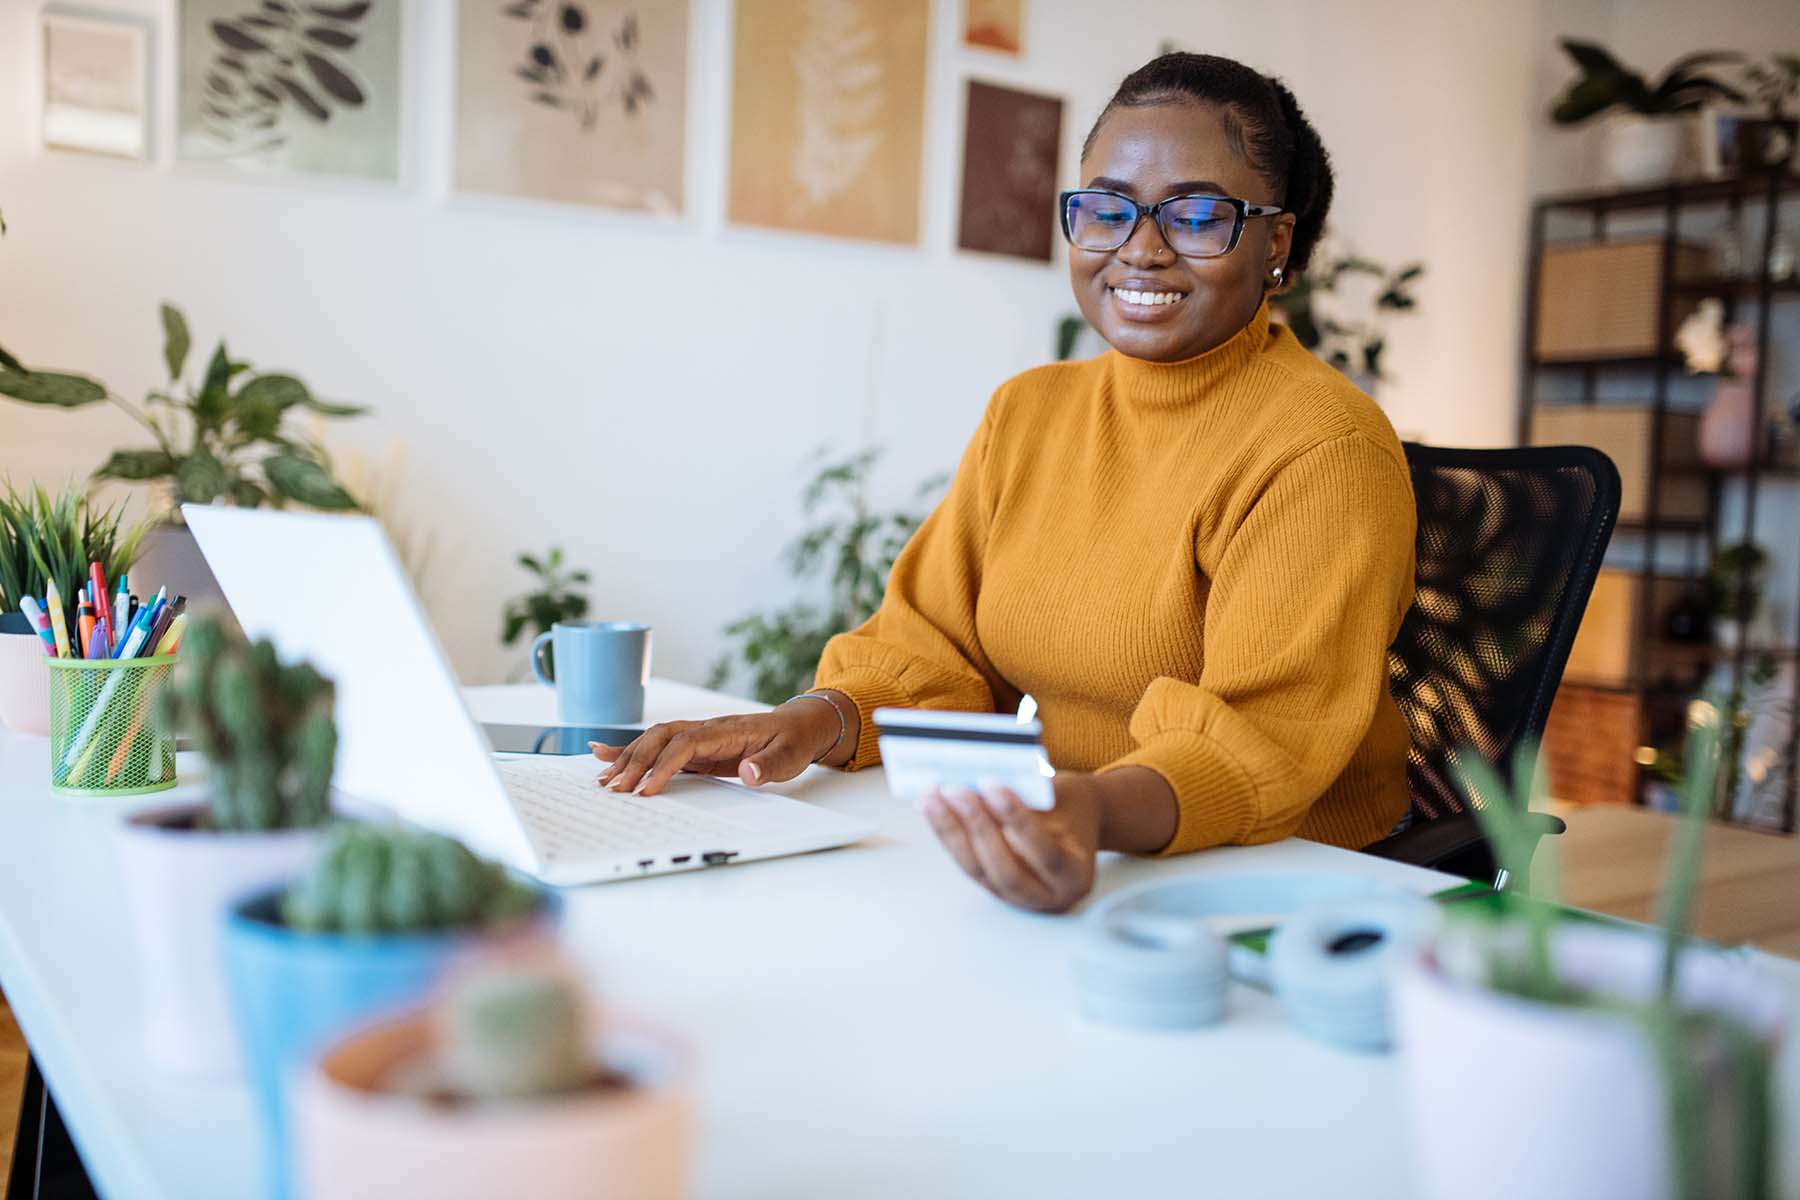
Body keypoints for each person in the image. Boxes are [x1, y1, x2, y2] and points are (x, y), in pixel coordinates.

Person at [592, 52, 1416, 913]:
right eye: (1105, 210)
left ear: (1274, 242)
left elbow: (1262, 744)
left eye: (1197, 215)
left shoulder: (1322, 448)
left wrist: (1085, 809)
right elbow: (932, 650)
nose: (1140, 249)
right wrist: (805, 723)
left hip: (1283, 883)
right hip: (1073, 834)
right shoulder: (1030, 411)